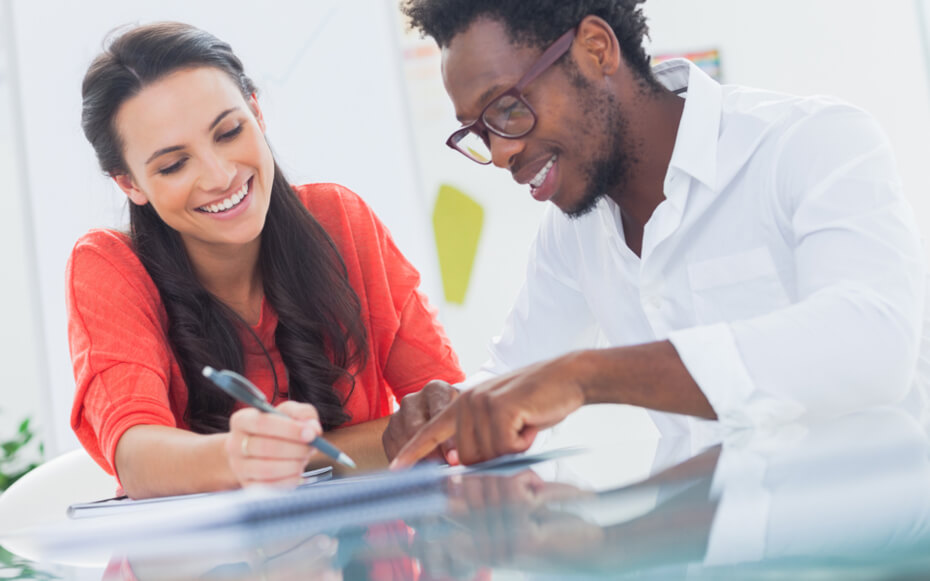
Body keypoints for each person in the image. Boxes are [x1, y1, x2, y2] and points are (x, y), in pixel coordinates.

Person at [387, 0, 929, 467]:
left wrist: (586, 376)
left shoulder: (809, 143)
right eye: (478, 132)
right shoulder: (571, 235)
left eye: (507, 107)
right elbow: (516, 378)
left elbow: (874, 343)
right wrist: (447, 409)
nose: (501, 151)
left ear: (596, 49)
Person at [68, 21, 463, 498]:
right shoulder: (108, 266)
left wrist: (294, 457)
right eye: (173, 165)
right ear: (129, 184)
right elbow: (137, 459)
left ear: (256, 111)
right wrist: (245, 456)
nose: (219, 176)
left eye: (230, 131)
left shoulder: (340, 220)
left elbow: (448, 420)